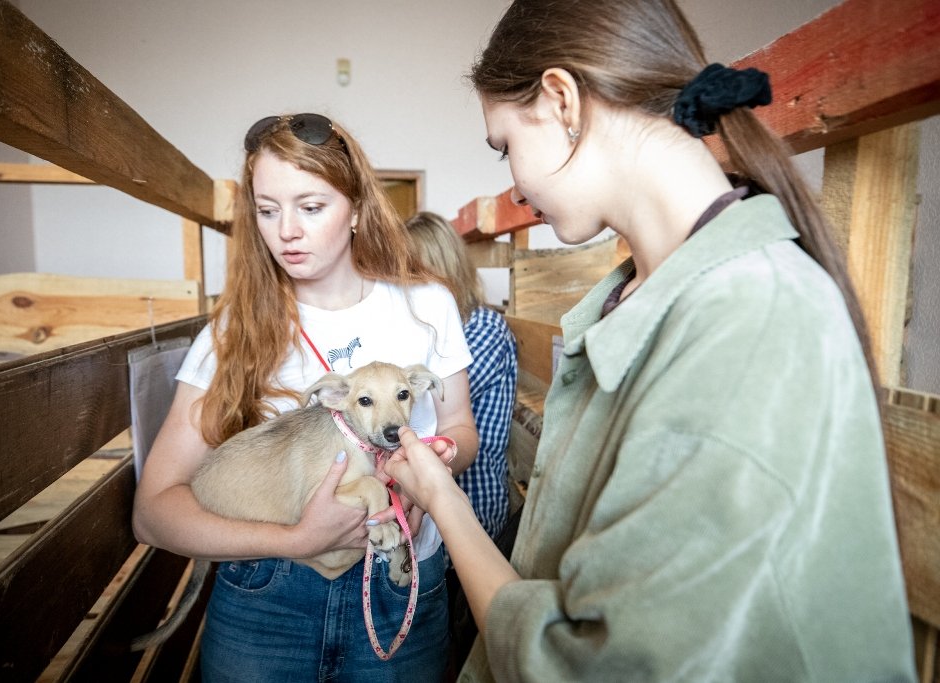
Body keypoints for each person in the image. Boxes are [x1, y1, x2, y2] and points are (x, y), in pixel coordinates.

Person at [383, 1, 917, 681]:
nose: (512, 182)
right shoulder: (638, 294)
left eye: (506, 145)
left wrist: (442, 499)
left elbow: (591, 663)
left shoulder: (747, 320)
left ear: (560, 99)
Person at [132, 112, 479, 682]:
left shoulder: (426, 305)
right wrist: (296, 538)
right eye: (267, 211)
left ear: (358, 209)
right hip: (269, 596)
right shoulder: (232, 335)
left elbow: (461, 429)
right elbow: (153, 513)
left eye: (311, 207)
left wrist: (430, 475)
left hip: (401, 575)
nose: (286, 231)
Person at [406, 211, 517, 542]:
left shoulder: (484, 327)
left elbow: (428, 404)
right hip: (428, 503)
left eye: (411, 270)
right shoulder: (425, 328)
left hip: (471, 505)